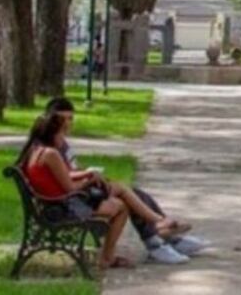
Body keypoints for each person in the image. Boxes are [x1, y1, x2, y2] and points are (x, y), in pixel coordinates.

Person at [45, 98, 207, 264]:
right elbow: (66, 179)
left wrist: (87, 173)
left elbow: (69, 171)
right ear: (50, 120)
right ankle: (157, 235)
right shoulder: (51, 148)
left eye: (70, 118)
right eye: (62, 119)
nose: (67, 124)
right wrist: (87, 176)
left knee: (135, 193)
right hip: (71, 200)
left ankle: (166, 239)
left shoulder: (60, 143)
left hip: (78, 193)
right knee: (124, 194)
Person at [17, 112, 132, 269]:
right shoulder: (51, 154)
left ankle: (107, 255)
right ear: (53, 133)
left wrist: (86, 176)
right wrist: (90, 180)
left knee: (114, 197)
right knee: (121, 207)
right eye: (62, 133)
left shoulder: (34, 151)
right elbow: (71, 188)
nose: (64, 139)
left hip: (50, 205)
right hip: (63, 208)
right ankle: (107, 258)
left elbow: (62, 179)